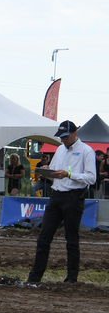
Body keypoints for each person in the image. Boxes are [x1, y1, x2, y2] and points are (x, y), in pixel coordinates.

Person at [27, 121, 96, 284]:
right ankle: (34, 278)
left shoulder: (87, 151)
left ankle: (71, 279)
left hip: (74, 197)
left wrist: (68, 174)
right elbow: (55, 171)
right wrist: (48, 172)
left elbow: (91, 177)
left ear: (75, 134)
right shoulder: (59, 149)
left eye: (65, 137)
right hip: (56, 196)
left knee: (71, 239)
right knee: (43, 238)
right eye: (61, 137)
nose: (62, 140)